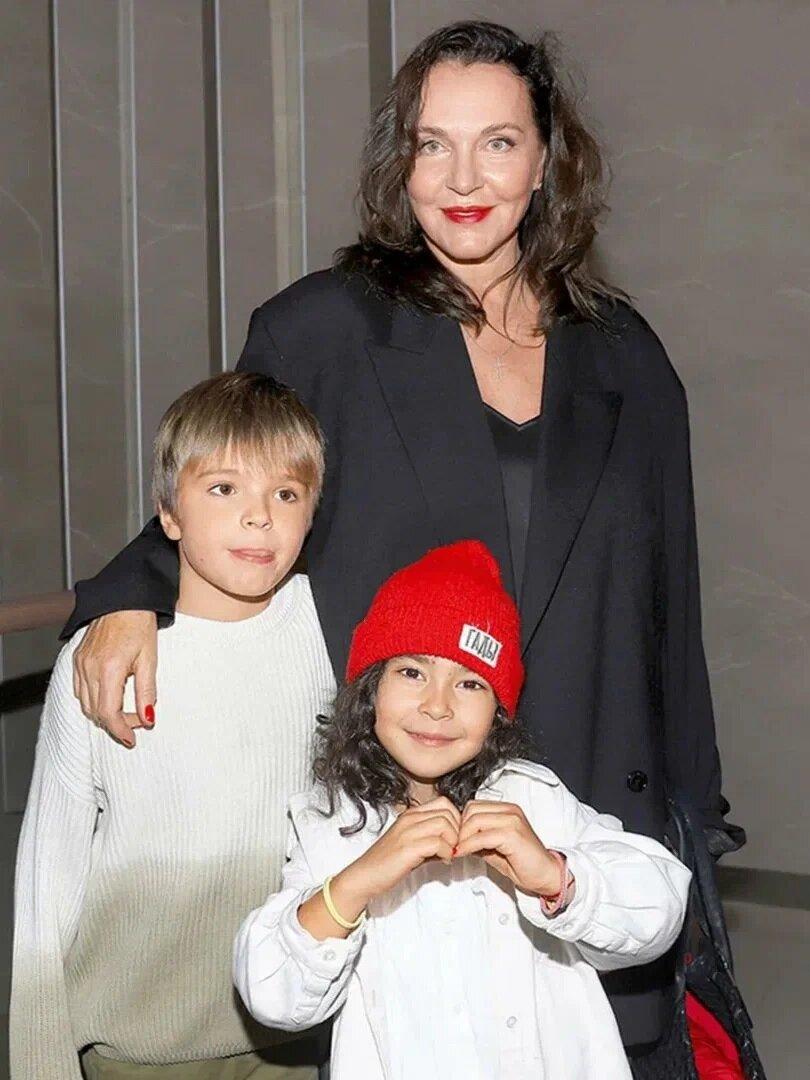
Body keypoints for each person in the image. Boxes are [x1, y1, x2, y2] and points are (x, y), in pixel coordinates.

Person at [61, 19, 743, 1064]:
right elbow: (234, 492)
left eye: (499, 143)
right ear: (401, 160)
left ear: (546, 161)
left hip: (588, 828)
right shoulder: (322, 330)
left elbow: (669, 610)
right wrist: (123, 596)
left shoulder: (628, 357)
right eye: (434, 144)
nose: (464, 178)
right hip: (401, 825)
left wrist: (697, 820)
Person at [233, 540, 692, 1079]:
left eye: (470, 683)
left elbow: (660, 906)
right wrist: (359, 881)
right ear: (370, 689)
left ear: (497, 713)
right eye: (412, 672)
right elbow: (273, 996)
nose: (437, 705)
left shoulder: (529, 797)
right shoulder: (330, 823)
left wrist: (554, 876)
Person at [11, 372, 336, 1080]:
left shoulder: (332, 634)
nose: (259, 517)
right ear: (168, 512)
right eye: (223, 488)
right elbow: (47, 875)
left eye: (286, 493)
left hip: (293, 1037)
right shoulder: (102, 660)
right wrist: (41, 1063)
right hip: (135, 1043)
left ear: (314, 511)